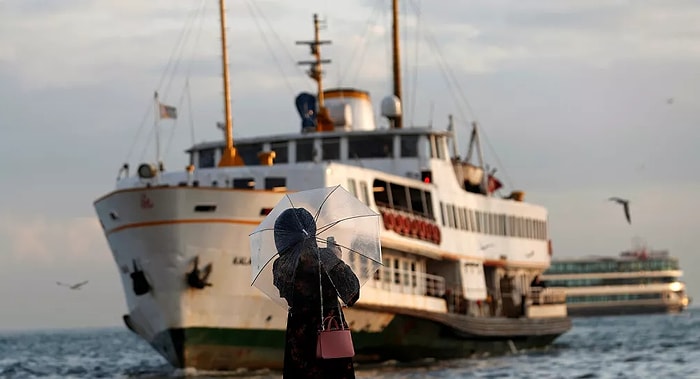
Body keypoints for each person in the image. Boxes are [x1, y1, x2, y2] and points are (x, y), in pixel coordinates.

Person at [272, 207, 360, 379]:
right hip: (331, 332)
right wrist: (335, 259)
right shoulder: (328, 259)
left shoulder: (280, 266)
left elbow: (285, 292)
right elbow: (352, 294)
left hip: (300, 339)